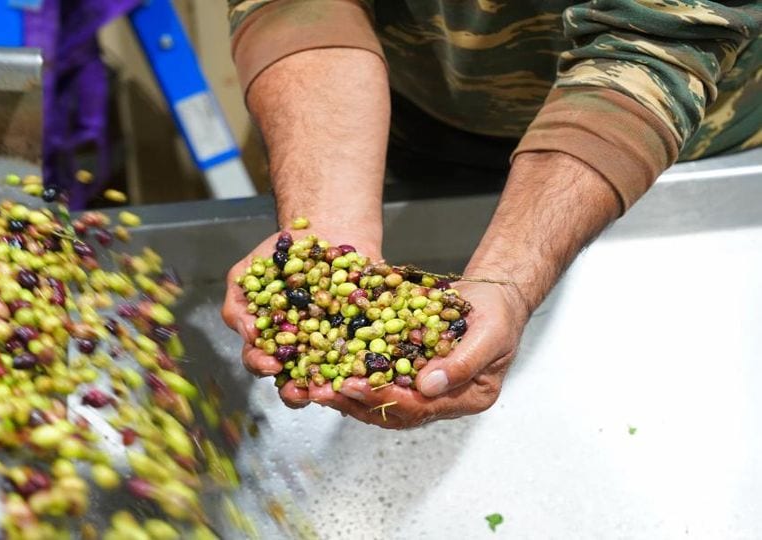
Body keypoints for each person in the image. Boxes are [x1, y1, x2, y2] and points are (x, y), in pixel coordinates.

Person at [219, 1, 761, 428]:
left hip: (667, 148)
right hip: (399, 110)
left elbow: (657, 39)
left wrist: (509, 279)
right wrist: (325, 237)